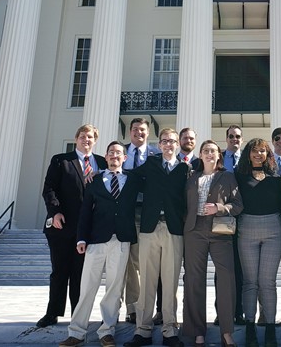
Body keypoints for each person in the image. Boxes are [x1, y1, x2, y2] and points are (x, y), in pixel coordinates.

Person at [59, 142, 141, 347]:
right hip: (96, 240)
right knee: (87, 287)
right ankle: (76, 332)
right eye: (111, 152)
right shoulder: (94, 180)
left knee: (114, 289)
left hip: (121, 240)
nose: (115, 155)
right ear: (106, 156)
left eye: (119, 153)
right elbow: (86, 211)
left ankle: (107, 331)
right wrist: (81, 238)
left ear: (125, 158)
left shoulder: (133, 180)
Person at [125, 128, 189, 347]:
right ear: (159, 145)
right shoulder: (150, 165)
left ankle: (170, 330)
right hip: (149, 229)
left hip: (173, 230)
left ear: (177, 144)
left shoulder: (185, 168)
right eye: (164, 141)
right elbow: (130, 176)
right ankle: (142, 330)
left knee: (170, 283)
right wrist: (103, 173)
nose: (168, 145)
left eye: (172, 141)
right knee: (148, 282)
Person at [38, 124, 103, 328]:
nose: (86, 140)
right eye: (82, 136)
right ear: (76, 139)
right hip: (61, 226)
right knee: (59, 271)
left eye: (90, 137)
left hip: (88, 230)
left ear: (95, 140)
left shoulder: (101, 162)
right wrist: (54, 212)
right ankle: (53, 313)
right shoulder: (61, 161)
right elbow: (49, 189)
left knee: (80, 274)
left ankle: (78, 314)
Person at [182, 140, 243, 347]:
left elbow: (237, 205)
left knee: (226, 279)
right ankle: (198, 331)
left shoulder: (227, 177)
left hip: (219, 232)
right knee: (194, 280)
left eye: (213, 151)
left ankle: (227, 331)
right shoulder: (191, 177)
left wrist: (219, 207)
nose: (209, 154)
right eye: (206, 151)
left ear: (219, 156)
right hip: (194, 231)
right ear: (200, 154)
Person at [235, 138, 281, 347]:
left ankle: (270, 328)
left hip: (273, 229)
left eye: (262, 151)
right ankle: (250, 328)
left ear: (267, 154)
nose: (258, 154)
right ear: (248, 154)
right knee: (250, 282)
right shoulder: (238, 177)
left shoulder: (276, 178)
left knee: (267, 282)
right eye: (254, 151)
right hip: (247, 229)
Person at [122, 117, 161, 323]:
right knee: (125, 262)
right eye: (135, 129)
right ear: (130, 132)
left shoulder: (156, 155)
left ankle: (140, 307)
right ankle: (131, 307)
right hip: (122, 212)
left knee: (139, 262)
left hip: (145, 211)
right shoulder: (119, 152)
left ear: (148, 133)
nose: (139, 133)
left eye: (143, 130)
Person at [216, 125, 245, 326]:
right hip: (223, 218)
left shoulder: (248, 159)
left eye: (238, 137)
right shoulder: (219, 159)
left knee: (241, 269)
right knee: (222, 270)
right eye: (231, 136)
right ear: (226, 138)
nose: (235, 139)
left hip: (244, 219)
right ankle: (222, 312)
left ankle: (239, 312)